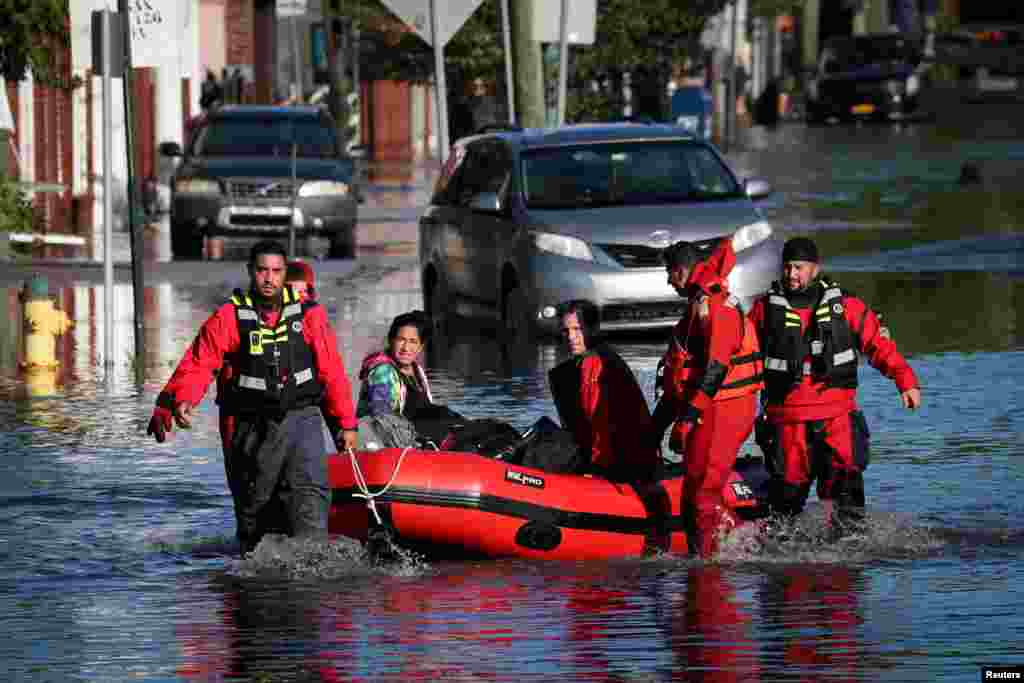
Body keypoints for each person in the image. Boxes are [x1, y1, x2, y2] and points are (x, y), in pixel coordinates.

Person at [146, 239, 359, 555]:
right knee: (255, 511)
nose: (269, 279)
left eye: (276, 271)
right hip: (249, 427)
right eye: (262, 271)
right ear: (250, 271)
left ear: (285, 273)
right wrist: (178, 402)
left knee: (311, 496)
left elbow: (332, 371)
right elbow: (200, 362)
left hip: (303, 419)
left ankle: (313, 578)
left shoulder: (310, 316)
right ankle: (256, 582)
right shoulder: (230, 317)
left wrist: (345, 424)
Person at [748, 237, 922, 538]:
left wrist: (905, 381)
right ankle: (783, 571)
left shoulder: (847, 306)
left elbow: (878, 346)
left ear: (815, 269)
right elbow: (738, 354)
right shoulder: (763, 310)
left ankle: (850, 562)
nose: (791, 274)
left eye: (799, 268)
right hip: (787, 421)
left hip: (836, 417)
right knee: (784, 506)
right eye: (787, 267)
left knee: (848, 498)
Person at [650, 237, 764, 558]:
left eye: (669, 272)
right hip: (708, 408)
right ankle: (707, 555)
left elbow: (716, 368)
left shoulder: (715, 304)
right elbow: (683, 376)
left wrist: (688, 417)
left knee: (703, 494)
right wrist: (657, 426)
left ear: (682, 271)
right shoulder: (696, 308)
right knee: (694, 492)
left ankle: (715, 564)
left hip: (723, 407)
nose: (667, 280)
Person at [548, 299, 659, 484]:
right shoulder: (598, 357)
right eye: (566, 331)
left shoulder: (595, 364)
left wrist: (597, 469)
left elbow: (600, 423)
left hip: (623, 464)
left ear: (593, 329)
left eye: (578, 329)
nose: (571, 337)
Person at [357, 310, 435, 420]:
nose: (406, 348)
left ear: (420, 347)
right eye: (401, 340)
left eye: (413, 341)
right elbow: (381, 417)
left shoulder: (417, 370)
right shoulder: (382, 372)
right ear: (391, 340)